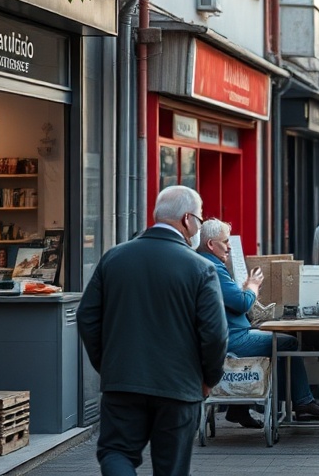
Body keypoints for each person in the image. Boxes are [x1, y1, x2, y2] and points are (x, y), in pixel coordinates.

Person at [77, 185, 228, 476]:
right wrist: (209, 378)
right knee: (171, 467)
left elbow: (87, 317)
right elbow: (215, 334)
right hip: (179, 386)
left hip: (123, 380)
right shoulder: (199, 268)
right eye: (198, 219)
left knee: (116, 452)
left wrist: (107, 364)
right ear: (187, 219)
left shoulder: (114, 258)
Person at [197, 218, 319, 425]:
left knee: (277, 340)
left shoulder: (204, 264)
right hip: (234, 339)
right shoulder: (214, 268)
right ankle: (302, 401)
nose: (229, 246)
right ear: (210, 244)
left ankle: (239, 410)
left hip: (225, 336)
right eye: (225, 241)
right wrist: (252, 286)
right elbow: (242, 302)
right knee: (289, 342)